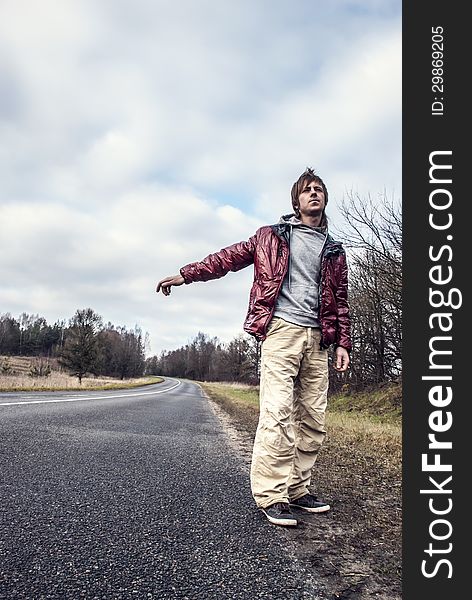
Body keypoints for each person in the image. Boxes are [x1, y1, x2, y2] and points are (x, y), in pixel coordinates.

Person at [156, 168, 351, 527]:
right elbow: (226, 259)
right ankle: (272, 495)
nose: (314, 194)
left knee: (313, 417)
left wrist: (343, 343)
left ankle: (298, 489)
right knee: (277, 413)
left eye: (319, 189)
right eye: (307, 190)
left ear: (325, 199)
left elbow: (340, 300)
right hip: (280, 332)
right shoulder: (269, 237)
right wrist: (186, 274)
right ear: (296, 200)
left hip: (319, 340)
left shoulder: (334, 250)